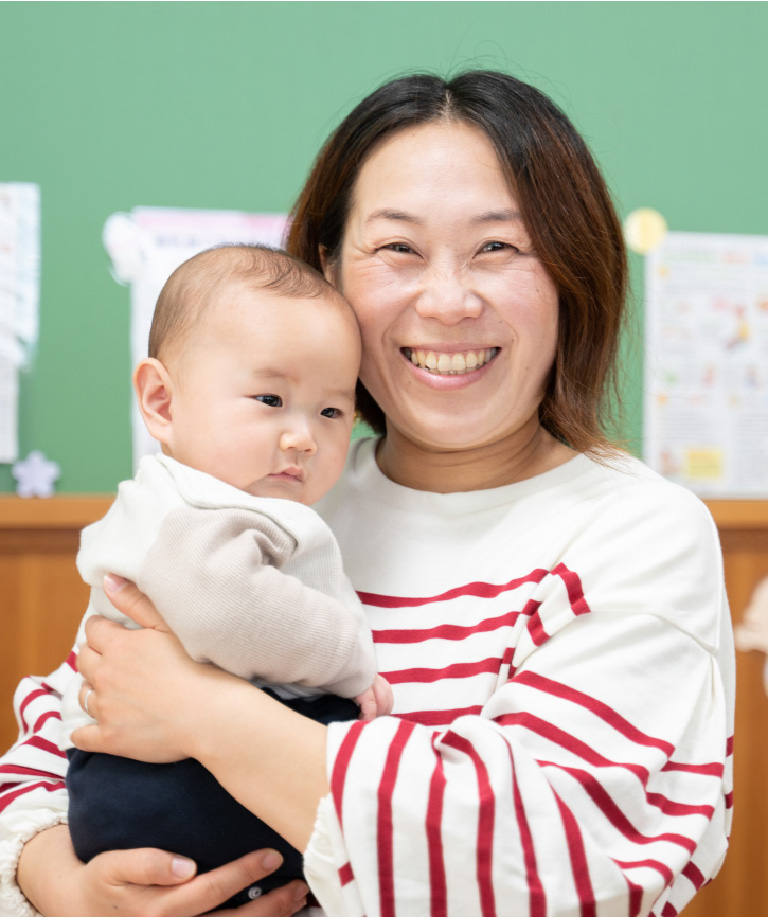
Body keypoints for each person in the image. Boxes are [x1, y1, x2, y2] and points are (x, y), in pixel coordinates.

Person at [0, 70, 733, 918]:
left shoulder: (637, 532)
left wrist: (208, 717)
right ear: (328, 271)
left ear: (571, 273)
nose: (449, 300)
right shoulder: (277, 506)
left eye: (498, 247)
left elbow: (551, 854)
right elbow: (62, 733)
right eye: (398, 249)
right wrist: (63, 887)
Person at [69, 243, 392, 908]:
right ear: (161, 400)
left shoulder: (228, 501)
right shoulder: (188, 509)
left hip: (173, 767)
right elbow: (231, 612)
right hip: (154, 784)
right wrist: (354, 663)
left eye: (331, 411)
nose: (303, 436)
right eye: (270, 398)